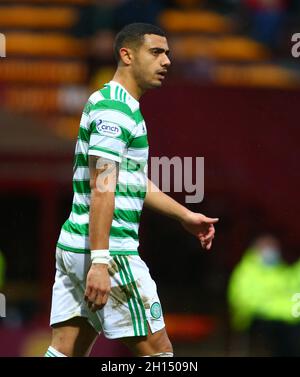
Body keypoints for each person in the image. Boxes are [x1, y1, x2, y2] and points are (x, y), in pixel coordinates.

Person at [45, 23, 218, 358]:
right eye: (156, 52)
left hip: (76, 246)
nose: (166, 60)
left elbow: (132, 180)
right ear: (126, 55)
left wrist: (184, 215)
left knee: (65, 352)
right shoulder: (115, 110)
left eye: (167, 53)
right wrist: (100, 261)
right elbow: (103, 187)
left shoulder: (119, 105)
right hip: (110, 252)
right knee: (160, 353)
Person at [228, 234, 300, 356]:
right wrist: (277, 309)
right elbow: (242, 299)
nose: (272, 251)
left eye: (274, 247)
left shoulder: (279, 270)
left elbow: (293, 286)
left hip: (285, 318)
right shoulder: (247, 271)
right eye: (267, 247)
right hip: (255, 319)